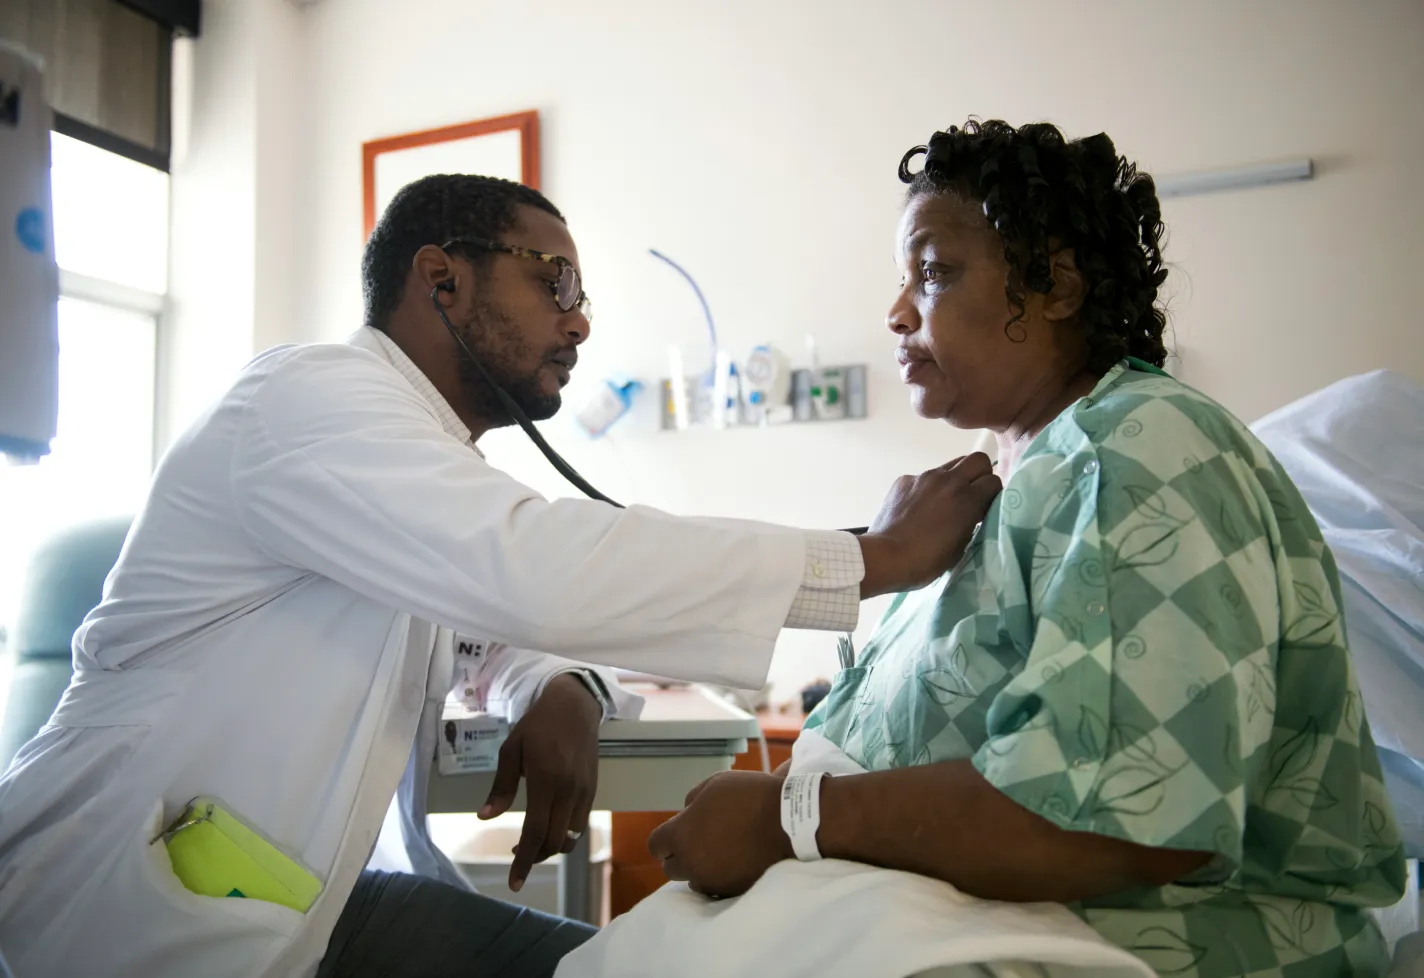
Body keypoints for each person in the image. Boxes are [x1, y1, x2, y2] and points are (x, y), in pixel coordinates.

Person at [0, 174, 1001, 978]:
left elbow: (480, 620)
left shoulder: (419, 464)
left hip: (285, 896)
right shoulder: (308, 398)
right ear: (442, 278)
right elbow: (525, 563)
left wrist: (558, 682)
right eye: (553, 284)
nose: (578, 324)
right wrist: (869, 560)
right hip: (117, 906)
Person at [649, 121, 1408, 978]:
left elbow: (1118, 823)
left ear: (1058, 285)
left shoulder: (1139, 450)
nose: (897, 312)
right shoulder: (994, 497)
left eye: (933, 272)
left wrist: (789, 818)